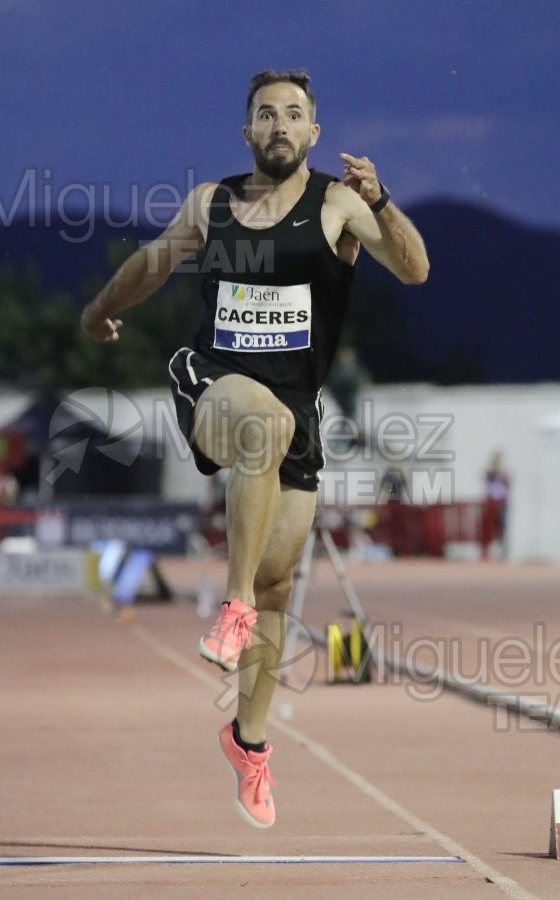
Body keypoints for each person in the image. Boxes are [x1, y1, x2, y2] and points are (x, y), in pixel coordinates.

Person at [81, 69, 429, 829]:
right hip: (214, 384)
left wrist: (380, 200)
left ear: (314, 134)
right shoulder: (213, 203)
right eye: (265, 113)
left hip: (298, 412)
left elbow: (414, 267)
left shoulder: (337, 206)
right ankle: (229, 605)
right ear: (247, 133)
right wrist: (101, 308)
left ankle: (250, 743)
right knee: (259, 427)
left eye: (293, 114)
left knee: (282, 587)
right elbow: (153, 263)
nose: (279, 124)